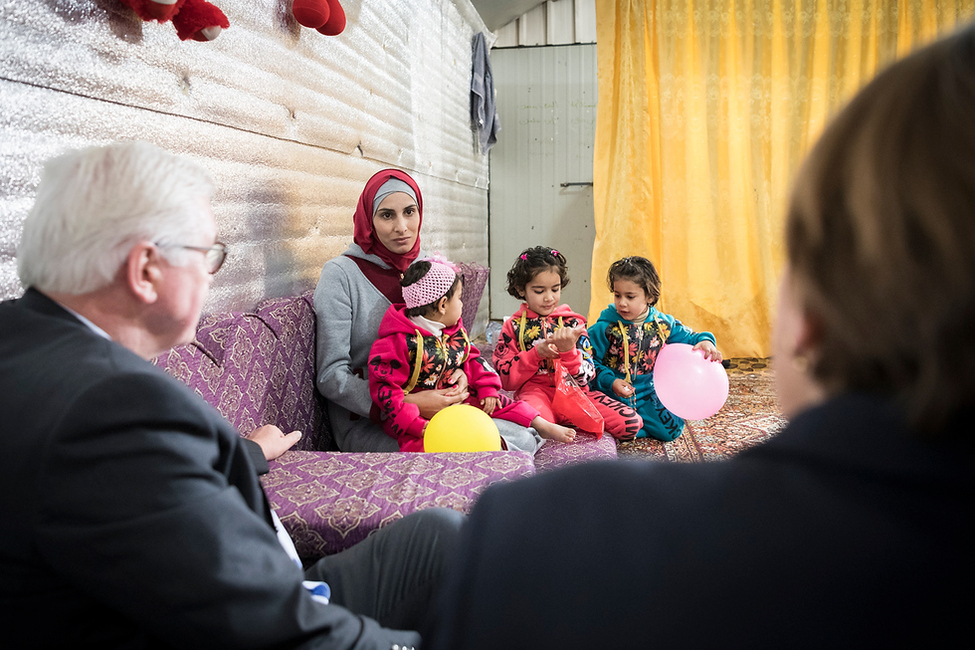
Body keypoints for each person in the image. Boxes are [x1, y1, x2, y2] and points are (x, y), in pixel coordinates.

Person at [426, 24, 975, 649]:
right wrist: (584, 370)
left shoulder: (547, 533)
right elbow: (539, 366)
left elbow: (676, 340)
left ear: (814, 313)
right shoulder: (577, 326)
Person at [0, 141, 463, 648]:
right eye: (208, 254)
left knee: (440, 534)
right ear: (146, 270)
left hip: (278, 584)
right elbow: (264, 626)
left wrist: (245, 451)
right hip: (283, 607)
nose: (210, 275)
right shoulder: (113, 409)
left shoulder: (23, 343)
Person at [314, 169, 484, 452]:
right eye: (387, 215)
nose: (402, 227)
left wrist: (462, 375)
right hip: (372, 421)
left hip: (439, 407)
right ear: (369, 220)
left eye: (409, 211)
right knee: (472, 449)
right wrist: (409, 403)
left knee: (516, 435)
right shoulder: (341, 275)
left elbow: (453, 339)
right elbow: (331, 375)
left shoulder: (426, 271)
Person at [368, 256, 573, 451]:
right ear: (442, 305)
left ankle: (539, 424)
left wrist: (486, 388)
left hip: (462, 398)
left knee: (502, 402)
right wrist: (415, 423)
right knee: (426, 448)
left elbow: (472, 359)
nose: (462, 304)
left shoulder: (453, 330)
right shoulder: (395, 343)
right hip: (421, 418)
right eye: (459, 298)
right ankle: (504, 446)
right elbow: (385, 391)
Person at [492, 246, 643, 440]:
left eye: (555, 289)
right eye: (539, 291)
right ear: (522, 289)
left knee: (631, 424)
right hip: (536, 395)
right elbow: (506, 381)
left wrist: (569, 352)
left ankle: (563, 420)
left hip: (577, 393)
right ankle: (551, 423)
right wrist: (537, 353)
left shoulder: (574, 323)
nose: (549, 297)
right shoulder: (513, 326)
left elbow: (587, 376)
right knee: (533, 425)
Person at [588, 255, 723, 441]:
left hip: (647, 393)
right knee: (622, 423)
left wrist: (707, 341)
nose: (622, 303)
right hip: (611, 392)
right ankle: (625, 426)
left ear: (649, 296)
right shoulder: (604, 327)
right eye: (617, 295)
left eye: (630, 296)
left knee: (672, 431)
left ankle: (633, 429)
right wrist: (610, 382)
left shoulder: (664, 325)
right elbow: (587, 360)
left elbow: (693, 338)